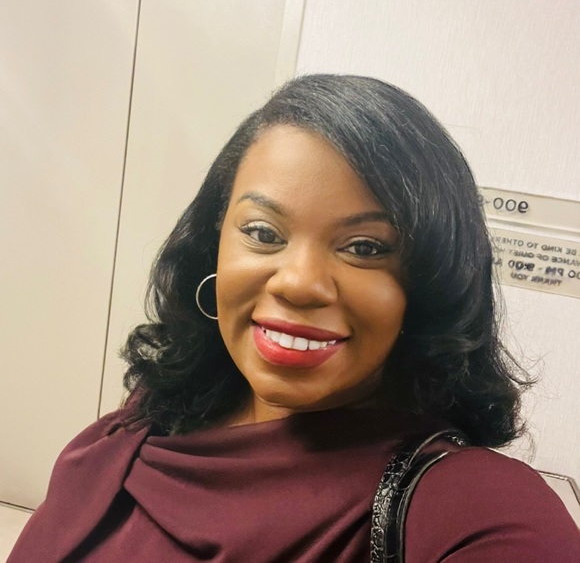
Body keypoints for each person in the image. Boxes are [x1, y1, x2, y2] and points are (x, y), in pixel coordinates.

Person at [9, 75, 579, 562]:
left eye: (364, 247)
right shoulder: (157, 412)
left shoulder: (469, 506)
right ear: (214, 244)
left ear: (430, 284)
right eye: (263, 233)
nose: (298, 283)